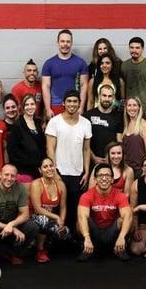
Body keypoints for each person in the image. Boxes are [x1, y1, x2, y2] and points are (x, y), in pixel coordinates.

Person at [45, 90, 92, 231]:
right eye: (69, 101)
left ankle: (71, 239)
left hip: (77, 173)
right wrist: (54, 172)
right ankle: (54, 239)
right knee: (57, 208)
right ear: (63, 103)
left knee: (73, 209)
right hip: (59, 172)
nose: (72, 104)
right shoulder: (54, 122)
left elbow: (86, 149)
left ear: (79, 103)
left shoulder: (86, 123)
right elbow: (50, 149)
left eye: (75, 101)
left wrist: (87, 172)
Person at [0, 163, 39, 265]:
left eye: (12, 176)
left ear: (16, 177)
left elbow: (25, 215)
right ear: (0, 175)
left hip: (12, 223)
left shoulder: (21, 189)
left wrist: (12, 225)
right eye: (6, 175)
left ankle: (14, 253)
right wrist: (10, 228)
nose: (9, 178)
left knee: (32, 227)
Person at [76, 163, 132, 261]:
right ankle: (87, 248)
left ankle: (119, 249)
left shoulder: (120, 195)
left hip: (111, 232)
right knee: (81, 222)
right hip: (95, 233)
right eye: (101, 175)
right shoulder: (87, 196)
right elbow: (82, 216)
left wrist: (122, 237)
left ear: (112, 179)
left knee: (123, 220)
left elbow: (128, 216)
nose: (104, 178)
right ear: (95, 179)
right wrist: (86, 237)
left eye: (107, 175)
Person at [29, 157, 70, 263]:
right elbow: (37, 209)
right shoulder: (36, 184)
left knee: (65, 233)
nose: (49, 169)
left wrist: (61, 221)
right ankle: (39, 249)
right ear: (40, 170)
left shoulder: (60, 185)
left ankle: (48, 243)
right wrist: (56, 217)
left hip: (51, 219)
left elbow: (63, 207)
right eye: (45, 166)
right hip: (34, 217)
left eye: (51, 166)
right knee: (43, 220)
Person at [41, 29, 89, 119]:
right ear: (58, 43)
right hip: (55, 105)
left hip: (74, 104)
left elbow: (84, 85)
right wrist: (48, 109)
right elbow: (45, 86)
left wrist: (81, 107)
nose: (65, 44)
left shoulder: (81, 63)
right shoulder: (49, 64)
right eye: (62, 41)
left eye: (68, 41)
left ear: (71, 43)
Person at [7, 94, 46, 192]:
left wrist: (41, 164)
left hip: (38, 170)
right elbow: (13, 151)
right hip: (24, 170)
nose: (30, 107)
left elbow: (41, 146)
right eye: (27, 105)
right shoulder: (17, 125)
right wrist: (31, 163)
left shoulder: (37, 122)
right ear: (23, 107)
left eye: (32, 104)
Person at [120, 37, 146, 121]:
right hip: (129, 110)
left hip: (144, 110)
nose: (134, 50)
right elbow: (122, 85)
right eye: (132, 47)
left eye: (137, 48)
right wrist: (123, 104)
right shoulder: (124, 65)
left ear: (142, 49)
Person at [84, 84, 123, 166]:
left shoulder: (119, 116)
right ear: (99, 96)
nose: (107, 99)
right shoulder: (87, 115)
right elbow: (83, 141)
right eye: (104, 95)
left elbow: (119, 141)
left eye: (110, 96)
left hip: (111, 162)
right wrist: (93, 157)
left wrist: (112, 158)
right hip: (90, 161)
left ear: (113, 98)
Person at [122, 97, 146, 178]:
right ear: (126, 108)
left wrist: (145, 170)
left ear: (139, 107)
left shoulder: (144, 124)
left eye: (134, 105)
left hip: (140, 170)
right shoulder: (126, 125)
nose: (132, 108)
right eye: (129, 105)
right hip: (127, 170)